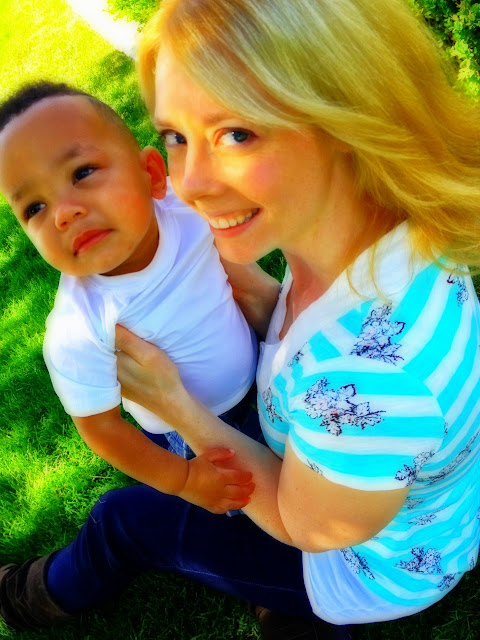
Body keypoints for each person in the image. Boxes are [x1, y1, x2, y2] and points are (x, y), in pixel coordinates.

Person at [2, 0, 480, 638]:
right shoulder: (381, 234)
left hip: (363, 565)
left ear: (343, 114)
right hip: (429, 519)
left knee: (121, 520)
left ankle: (25, 598)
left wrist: (176, 408)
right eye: (177, 137)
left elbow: (307, 526)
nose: (190, 184)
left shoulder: (367, 376)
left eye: (236, 133)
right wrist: (255, 291)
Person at [0, 82, 258, 515]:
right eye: (34, 208)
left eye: (82, 173)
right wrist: (185, 479)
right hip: (199, 433)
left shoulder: (185, 207)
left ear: (152, 175)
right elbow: (101, 429)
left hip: (263, 367)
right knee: (251, 505)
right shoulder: (78, 328)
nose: (63, 212)